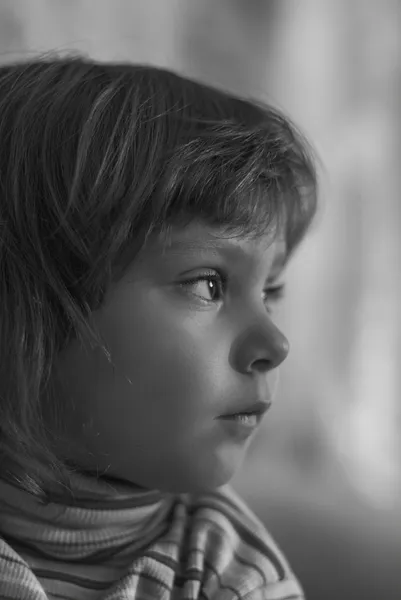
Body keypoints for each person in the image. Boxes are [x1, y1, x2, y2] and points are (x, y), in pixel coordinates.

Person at [0, 54, 318, 600]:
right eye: (209, 285)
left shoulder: (235, 576)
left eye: (271, 292)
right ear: (26, 305)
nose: (274, 344)